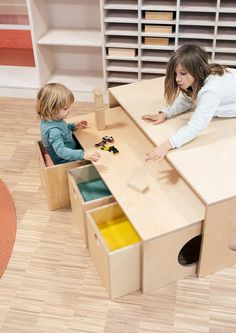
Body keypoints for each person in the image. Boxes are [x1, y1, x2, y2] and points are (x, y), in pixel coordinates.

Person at [142, 44, 236, 161]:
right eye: (175, 74)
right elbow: (186, 99)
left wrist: (168, 144)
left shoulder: (212, 90)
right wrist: (165, 113)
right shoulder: (198, 78)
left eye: (183, 73)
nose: (177, 79)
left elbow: (198, 124)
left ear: (198, 69)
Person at [37, 82, 100, 164]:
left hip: (71, 152)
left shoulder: (51, 119)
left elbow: (62, 130)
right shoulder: (54, 131)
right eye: (65, 108)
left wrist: (73, 126)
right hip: (65, 160)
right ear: (51, 109)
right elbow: (62, 152)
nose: (69, 110)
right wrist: (83, 154)